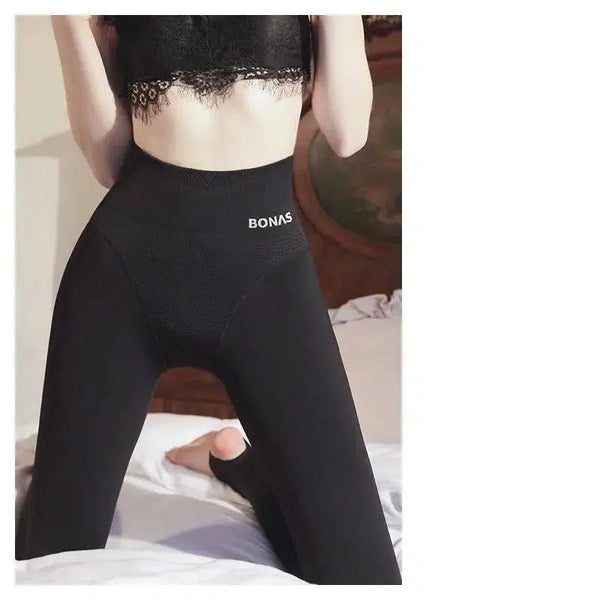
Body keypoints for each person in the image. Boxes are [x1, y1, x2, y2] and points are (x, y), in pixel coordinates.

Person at [15, 15, 401, 585]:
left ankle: (238, 465)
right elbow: (108, 161)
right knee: (51, 553)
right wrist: (69, 19)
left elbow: (346, 134)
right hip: (124, 274)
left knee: (363, 577)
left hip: (265, 278)